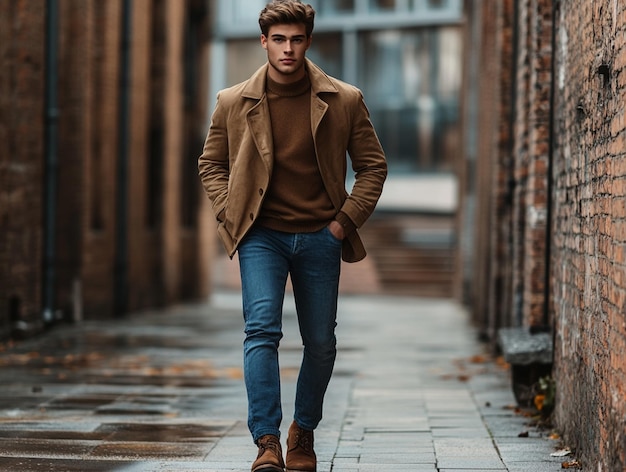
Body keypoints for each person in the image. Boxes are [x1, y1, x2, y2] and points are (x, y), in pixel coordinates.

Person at [198, 1, 386, 470]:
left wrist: (342, 223)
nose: (288, 48)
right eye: (278, 39)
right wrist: (231, 213)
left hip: (321, 234)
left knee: (320, 341)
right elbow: (211, 164)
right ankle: (267, 442)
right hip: (262, 236)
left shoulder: (343, 99)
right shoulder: (232, 101)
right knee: (261, 330)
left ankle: (302, 432)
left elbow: (373, 167)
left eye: (296, 39)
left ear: (308, 40)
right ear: (264, 42)